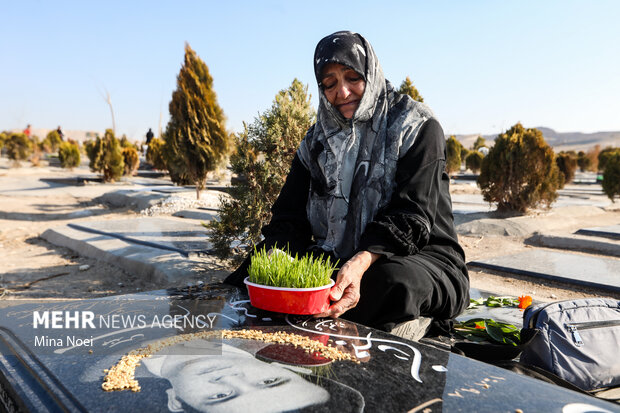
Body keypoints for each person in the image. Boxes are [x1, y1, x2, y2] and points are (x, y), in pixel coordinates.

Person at [226, 31, 469, 337]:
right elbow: (289, 218)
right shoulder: (317, 141)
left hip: (418, 257)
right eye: (329, 83)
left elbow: (412, 216)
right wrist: (277, 255)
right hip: (339, 258)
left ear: (371, 73)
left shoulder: (415, 126)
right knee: (254, 273)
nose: (342, 92)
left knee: (388, 283)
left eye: (353, 77)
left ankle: (418, 322)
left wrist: (361, 260)